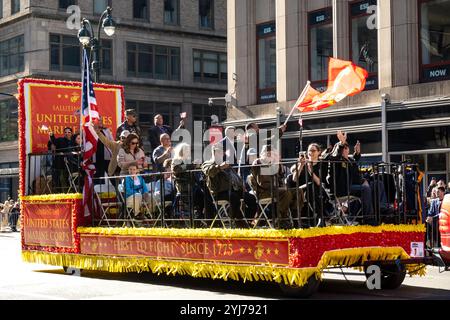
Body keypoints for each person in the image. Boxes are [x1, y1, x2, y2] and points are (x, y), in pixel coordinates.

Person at [326, 131, 372, 218]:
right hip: (341, 190)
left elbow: (354, 166)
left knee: (374, 185)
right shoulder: (336, 160)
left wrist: (357, 153)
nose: (345, 148)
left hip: (350, 187)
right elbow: (335, 156)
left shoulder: (350, 160)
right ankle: (368, 217)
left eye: (347, 147)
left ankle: (380, 212)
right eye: (343, 147)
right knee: (365, 189)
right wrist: (341, 143)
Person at [202, 144, 248, 228]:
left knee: (250, 198)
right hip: (219, 192)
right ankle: (232, 222)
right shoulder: (207, 163)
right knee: (235, 198)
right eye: (217, 151)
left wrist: (242, 185)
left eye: (221, 152)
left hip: (233, 189)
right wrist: (220, 167)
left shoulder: (226, 164)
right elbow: (209, 172)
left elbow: (236, 177)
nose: (220, 153)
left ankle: (247, 222)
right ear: (213, 152)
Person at [249, 145, 292, 229]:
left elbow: (281, 179)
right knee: (285, 192)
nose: (270, 155)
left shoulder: (274, 163)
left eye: (271, 153)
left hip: (275, 189)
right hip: (264, 191)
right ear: (262, 153)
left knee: (297, 191)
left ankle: (296, 219)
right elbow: (262, 182)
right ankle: (282, 219)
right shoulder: (258, 162)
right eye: (267, 153)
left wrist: (279, 165)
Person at [171, 143, 204, 219]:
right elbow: (176, 169)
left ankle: (201, 213)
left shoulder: (188, 161)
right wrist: (192, 165)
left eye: (189, 150)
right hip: (183, 186)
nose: (188, 151)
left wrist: (197, 166)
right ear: (181, 151)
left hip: (192, 184)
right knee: (199, 193)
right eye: (186, 150)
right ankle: (198, 214)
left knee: (204, 192)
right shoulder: (176, 160)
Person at [48, 127, 74, 192]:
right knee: (58, 180)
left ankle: (69, 192)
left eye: (69, 132)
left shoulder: (73, 141)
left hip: (71, 164)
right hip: (59, 164)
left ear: (71, 133)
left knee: (67, 180)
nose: (67, 134)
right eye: (65, 132)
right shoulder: (60, 140)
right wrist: (51, 135)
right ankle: (59, 193)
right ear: (63, 133)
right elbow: (53, 141)